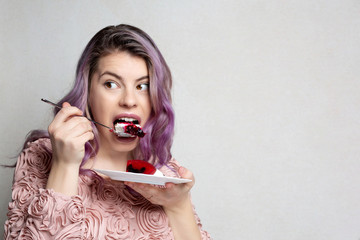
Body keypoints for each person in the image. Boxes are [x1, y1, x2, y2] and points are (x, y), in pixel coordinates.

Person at [4, 24, 211, 239]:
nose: (129, 101)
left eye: (143, 86)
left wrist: (178, 205)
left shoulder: (166, 173)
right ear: (88, 92)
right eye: (111, 84)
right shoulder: (42, 155)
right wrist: (64, 165)